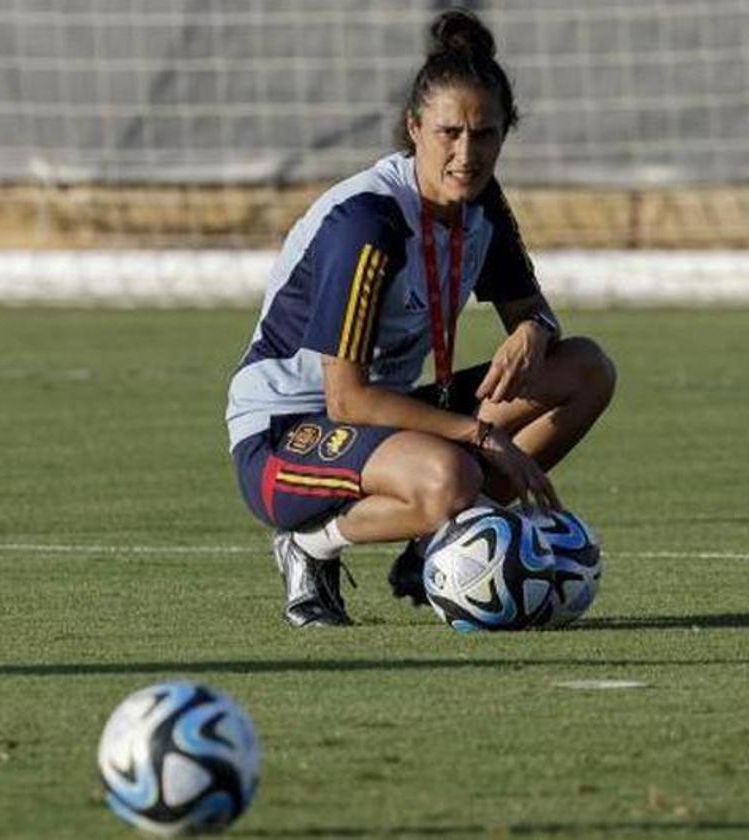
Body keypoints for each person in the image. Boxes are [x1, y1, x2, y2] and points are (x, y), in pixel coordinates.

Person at [225, 8, 616, 627]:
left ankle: (436, 545)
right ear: (414, 129)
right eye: (449, 133)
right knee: (450, 475)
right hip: (286, 436)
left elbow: (534, 316)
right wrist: (480, 433)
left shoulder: (480, 203)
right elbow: (347, 400)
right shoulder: (368, 223)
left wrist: (535, 331)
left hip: (389, 411)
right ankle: (308, 544)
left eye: (485, 134)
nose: (467, 153)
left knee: (585, 369)